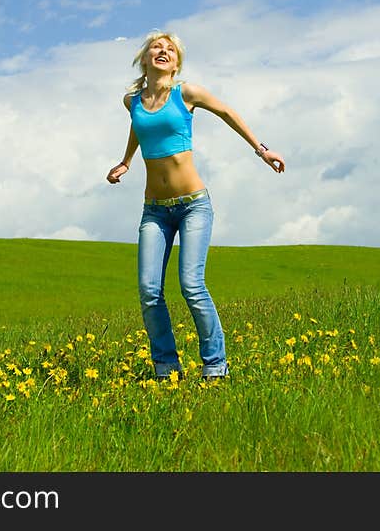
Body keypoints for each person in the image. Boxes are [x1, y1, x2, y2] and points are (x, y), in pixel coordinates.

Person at [106, 30, 286, 381]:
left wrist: (262, 150)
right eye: (156, 47)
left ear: (176, 63)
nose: (162, 51)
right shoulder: (133, 101)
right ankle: (166, 368)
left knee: (191, 284)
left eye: (169, 49)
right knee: (149, 291)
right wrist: (126, 161)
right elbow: (139, 128)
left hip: (193, 206)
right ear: (144, 59)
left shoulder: (186, 93)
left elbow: (227, 112)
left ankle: (216, 366)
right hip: (154, 210)